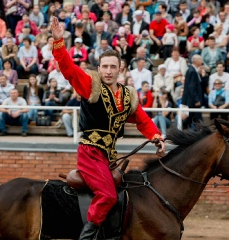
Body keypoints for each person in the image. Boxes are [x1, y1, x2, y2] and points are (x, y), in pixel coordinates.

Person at [51, 16, 165, 240]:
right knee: (107, 194)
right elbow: (69, 69)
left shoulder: (127, 95)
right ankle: (88, 236)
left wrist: (156, 137)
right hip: (90, 152)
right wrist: (58, 42)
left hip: (108, 156)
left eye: (113, 66)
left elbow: (142, 119)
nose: (109, 71)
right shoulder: (90, 85)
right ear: (99, 68)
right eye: (105, 67)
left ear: (121, 68)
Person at [181, 55, 203, 129]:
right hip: (193, 101)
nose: (201, 61)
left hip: (191, 100)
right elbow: (191, 87)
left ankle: (183, 131)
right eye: (200, 59)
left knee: (191, 118)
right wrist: (196, 99)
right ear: (196, 61)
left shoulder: (192, 70)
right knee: (198, 119)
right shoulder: (192, 71)